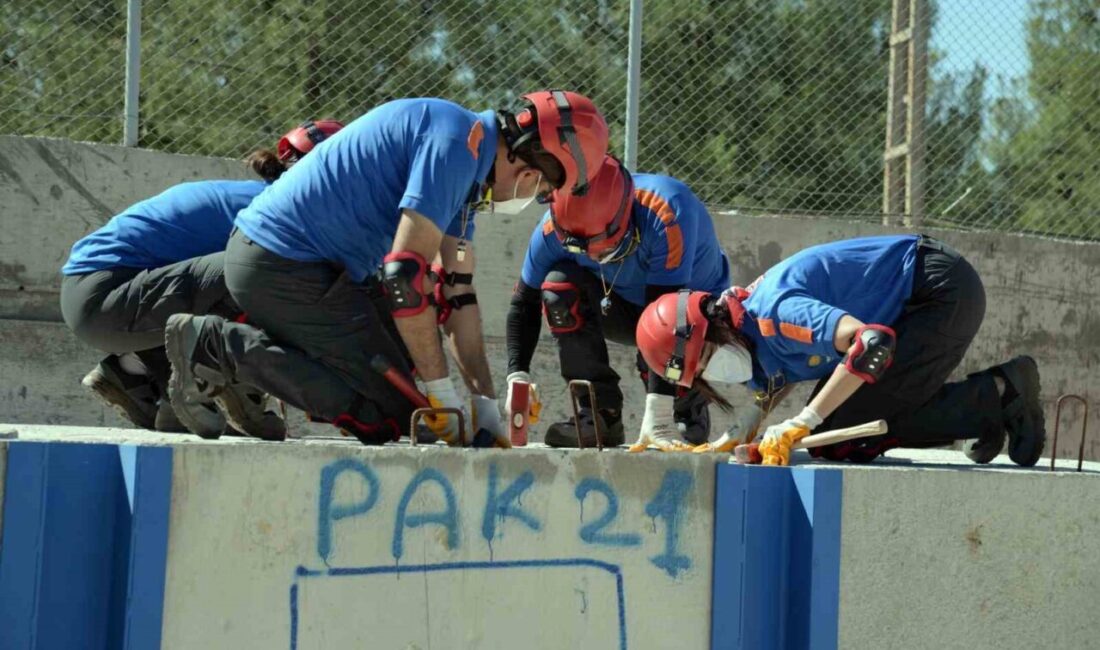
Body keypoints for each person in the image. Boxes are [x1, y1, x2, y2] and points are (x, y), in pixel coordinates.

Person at [163, 91, 610, 447]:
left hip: (297, 264)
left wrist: (485, 407)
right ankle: (219, 348)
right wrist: (442, 398)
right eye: (547, 185)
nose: (537, 195)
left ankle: (244, 358)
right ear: (537, 163)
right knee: (397, 414)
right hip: (282, 264)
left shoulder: (467, 158)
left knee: (412, 380)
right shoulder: (456, 144)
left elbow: (456, 296)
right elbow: (404, 278)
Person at [635, 234, 1046, 466]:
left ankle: (998, 395)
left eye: (706, 356)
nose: (713, 370)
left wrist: (804, 419)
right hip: (913, 304)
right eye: (702, 373)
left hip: (937, 291)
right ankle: (981, 412)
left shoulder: (774, 313)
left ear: (715, 324)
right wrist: (751, 418)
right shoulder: (746, 331)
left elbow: (871, 344)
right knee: (833, 434)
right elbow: (784, 369)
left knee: (833, 436)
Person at [60, 120, 343, 438]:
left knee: (251, 278)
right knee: (264, 271)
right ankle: (239, 393)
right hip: (105, 297)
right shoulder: (274, 212)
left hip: (102, 296)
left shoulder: (254, 197)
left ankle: (134, 375)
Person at [504, 155, 731, 449]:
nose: (595, 258)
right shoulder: (551, 230)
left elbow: (668, 311)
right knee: (557, 284)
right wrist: (516, 378)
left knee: (665, 322)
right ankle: (599, 413)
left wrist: (658, 414)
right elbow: (524, 303)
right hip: (619, 303)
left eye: (605, 249)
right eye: (582, 250)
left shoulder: (667, 211)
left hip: (690, 312)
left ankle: (682, 405)